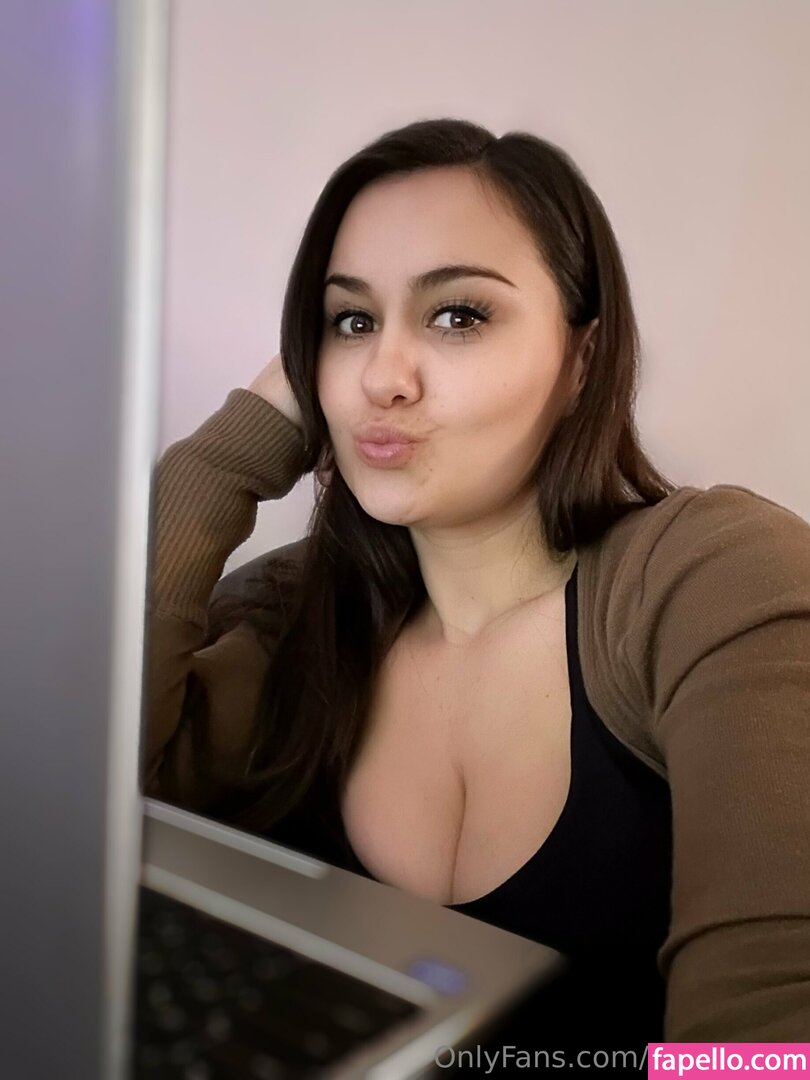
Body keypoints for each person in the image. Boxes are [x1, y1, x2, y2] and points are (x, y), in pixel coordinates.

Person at [144, 118, 810, 1049]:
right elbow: (66, 815)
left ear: (582, 361)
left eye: (458, 315)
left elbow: (768, 1049)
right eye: (350, 322)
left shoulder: (711, 578)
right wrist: (221, 461)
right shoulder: (292, 616)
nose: (382, 377)